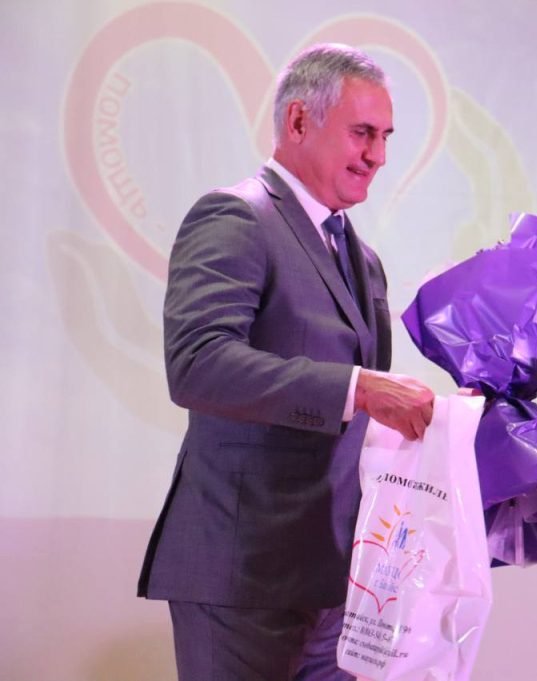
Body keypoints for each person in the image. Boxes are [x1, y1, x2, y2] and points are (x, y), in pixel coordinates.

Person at [137, 44, 435, 680]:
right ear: (298, 121)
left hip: (337, 584)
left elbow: (358, 416)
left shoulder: (362, 256)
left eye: (385, 137)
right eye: (362, 132)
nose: (378, 156)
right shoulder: (235, 217)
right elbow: (198, 362)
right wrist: (359, 387)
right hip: (243, 575)